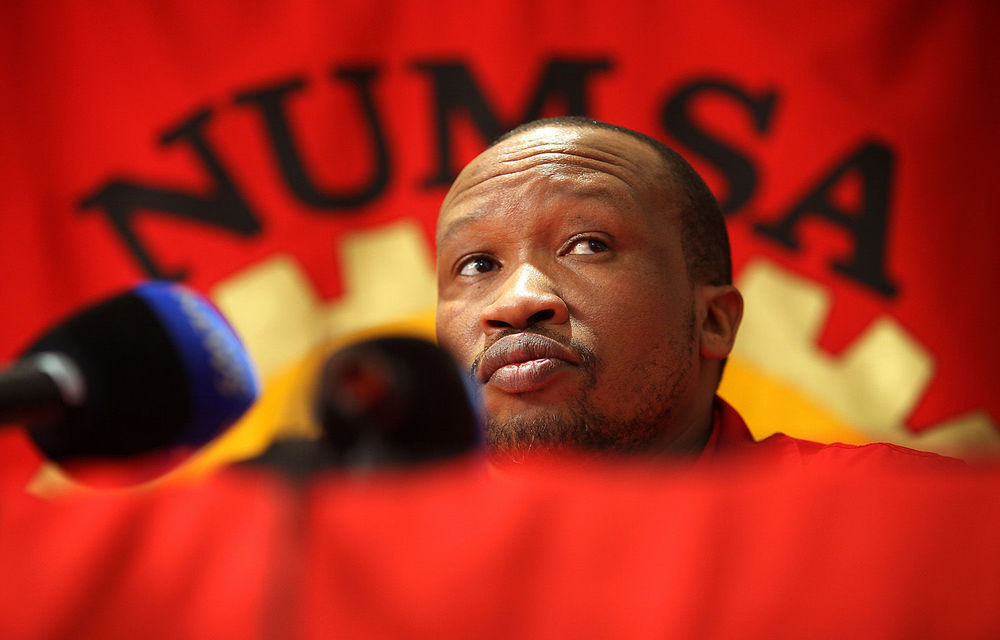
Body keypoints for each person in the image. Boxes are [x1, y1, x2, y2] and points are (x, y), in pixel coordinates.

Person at [434, 116, 956, 468]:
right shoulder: (390, 552)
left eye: (589, 245)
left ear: (713, 321)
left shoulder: (900, 514)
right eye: (478, 264)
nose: (516, 302)